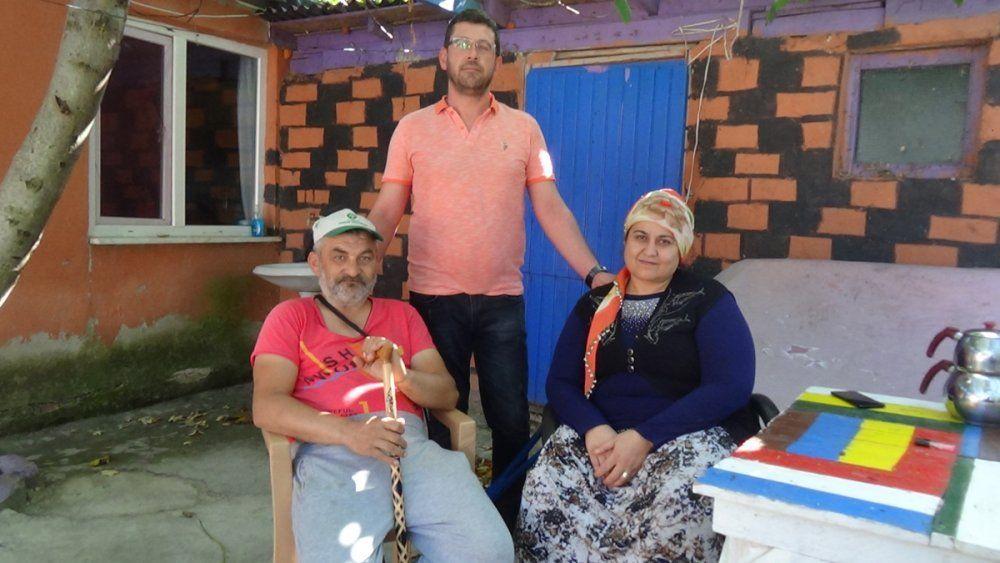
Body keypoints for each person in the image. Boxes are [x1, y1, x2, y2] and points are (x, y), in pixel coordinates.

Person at [367, 8, 615, 529]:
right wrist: (360, 264)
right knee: (439, 418)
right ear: (444, 57)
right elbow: (388, 208)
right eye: (463, 44)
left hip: (502, 302)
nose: (473, 54)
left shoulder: (525, 129)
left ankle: (505, 526)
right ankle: (446, 523)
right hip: (434, 303)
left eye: (484, 46)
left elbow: (551, 208)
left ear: (497, 61)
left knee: (510, 422)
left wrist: (594, 272)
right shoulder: (412, 129)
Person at [251, 209, 514, 563]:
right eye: (339, 257)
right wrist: (349, 433)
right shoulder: (290, 318)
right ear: (315, 263)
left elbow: (446, 394)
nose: (353, 270)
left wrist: (401, 375)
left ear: (377, 265)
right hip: (330, 455)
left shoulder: (403, 315)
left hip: (409, 448)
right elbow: (267, 405)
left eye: (364, 258)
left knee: (490, 552)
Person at [516, 189, 758, 562]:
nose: (650, 250)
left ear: (682, 250)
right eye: (640, 237)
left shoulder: (707, 300)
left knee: (685, 499)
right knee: (546, 483)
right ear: (626, 241)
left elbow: (731, 386)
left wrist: (645, 437)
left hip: (683, 436)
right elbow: (561, 383)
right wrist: (593, 429)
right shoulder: (594, 304)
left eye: (665, 241)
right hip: (601, 437)